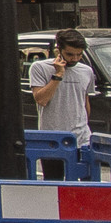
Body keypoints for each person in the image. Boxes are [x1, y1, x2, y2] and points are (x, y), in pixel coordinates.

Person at [30, 28, 95, 178]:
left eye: (79, 54)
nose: (75, 59)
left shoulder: (86, 71)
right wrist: (58, 75)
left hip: (81, 139)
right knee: (54, 183)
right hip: (52, 139)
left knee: (86, 183)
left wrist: (85, 123)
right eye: (70, 54)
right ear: (58, 50)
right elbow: (41, 99)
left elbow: (84, 101)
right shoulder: (40, 68)